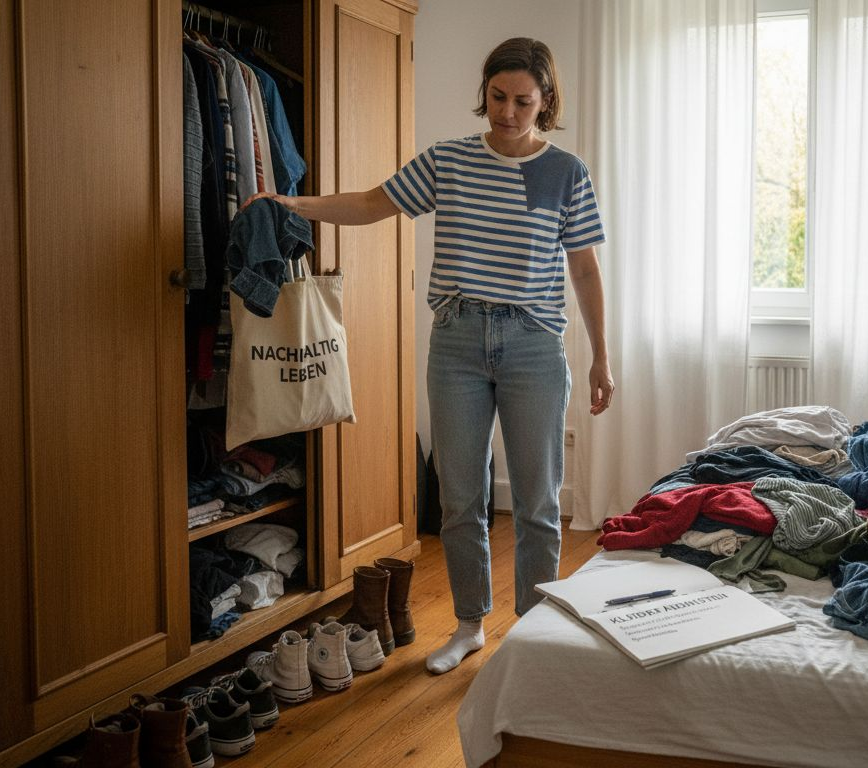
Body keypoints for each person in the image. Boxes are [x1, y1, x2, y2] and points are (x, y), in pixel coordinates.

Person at [244, 37, 612, 675]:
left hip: (533, 345)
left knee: (538, 500)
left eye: (522, 101)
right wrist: (294, 205)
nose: (506, 112)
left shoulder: (566, 173)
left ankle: (533, 633)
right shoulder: (449, 162)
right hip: (458, 342)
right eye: (497, 97)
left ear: (545, 101)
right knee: (461, 497)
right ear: (485, 93)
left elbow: (584, 269)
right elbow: (371, 203)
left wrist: (601, 357)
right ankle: (468, 625)